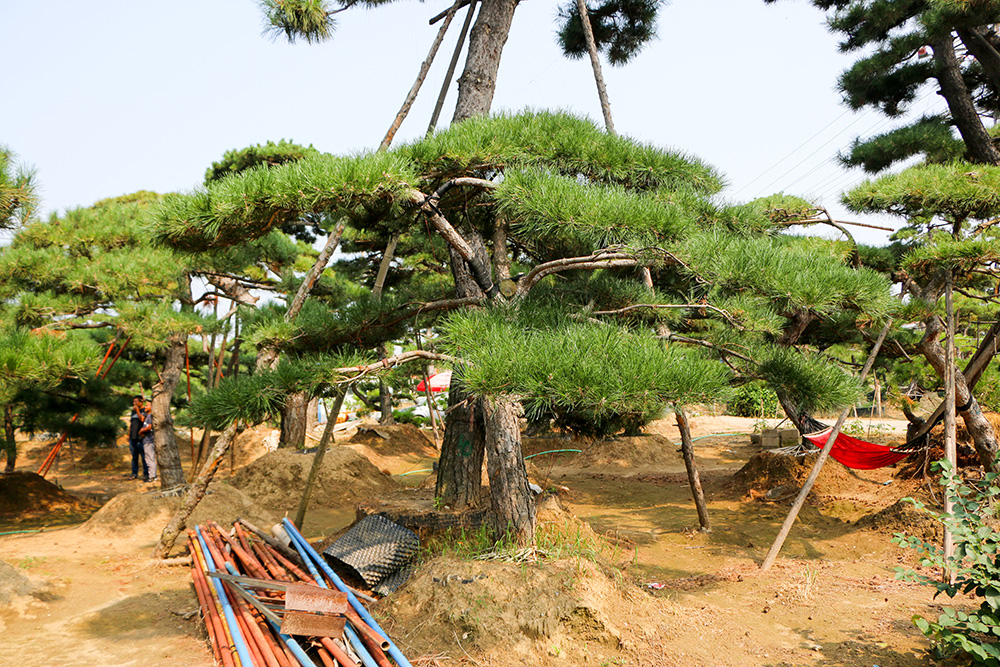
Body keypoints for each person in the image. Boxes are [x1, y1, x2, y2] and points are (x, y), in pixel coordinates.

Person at [127, 395, 147, 480]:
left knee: (144, 457)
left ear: (141, 402)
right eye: (133, 402)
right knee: (134, 457)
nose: (134, 403)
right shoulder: (133, 412)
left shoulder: (145, 410)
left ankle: (146, 474)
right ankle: (134, 473)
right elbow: (131, 424)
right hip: (133, 438)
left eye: (135, 401)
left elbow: (142, 419)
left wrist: (137, 410)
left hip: (141, 438)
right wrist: (129, 435)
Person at [139, 400, 157, 483]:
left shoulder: (150, 416)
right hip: (146, 440)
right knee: (148, 459)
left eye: (147, 405)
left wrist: (141, 431)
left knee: (150, 459)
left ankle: (152, 476)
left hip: (149, 441)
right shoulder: (147, 416)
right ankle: (151, 475)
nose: (145, 407)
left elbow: (150, 426)